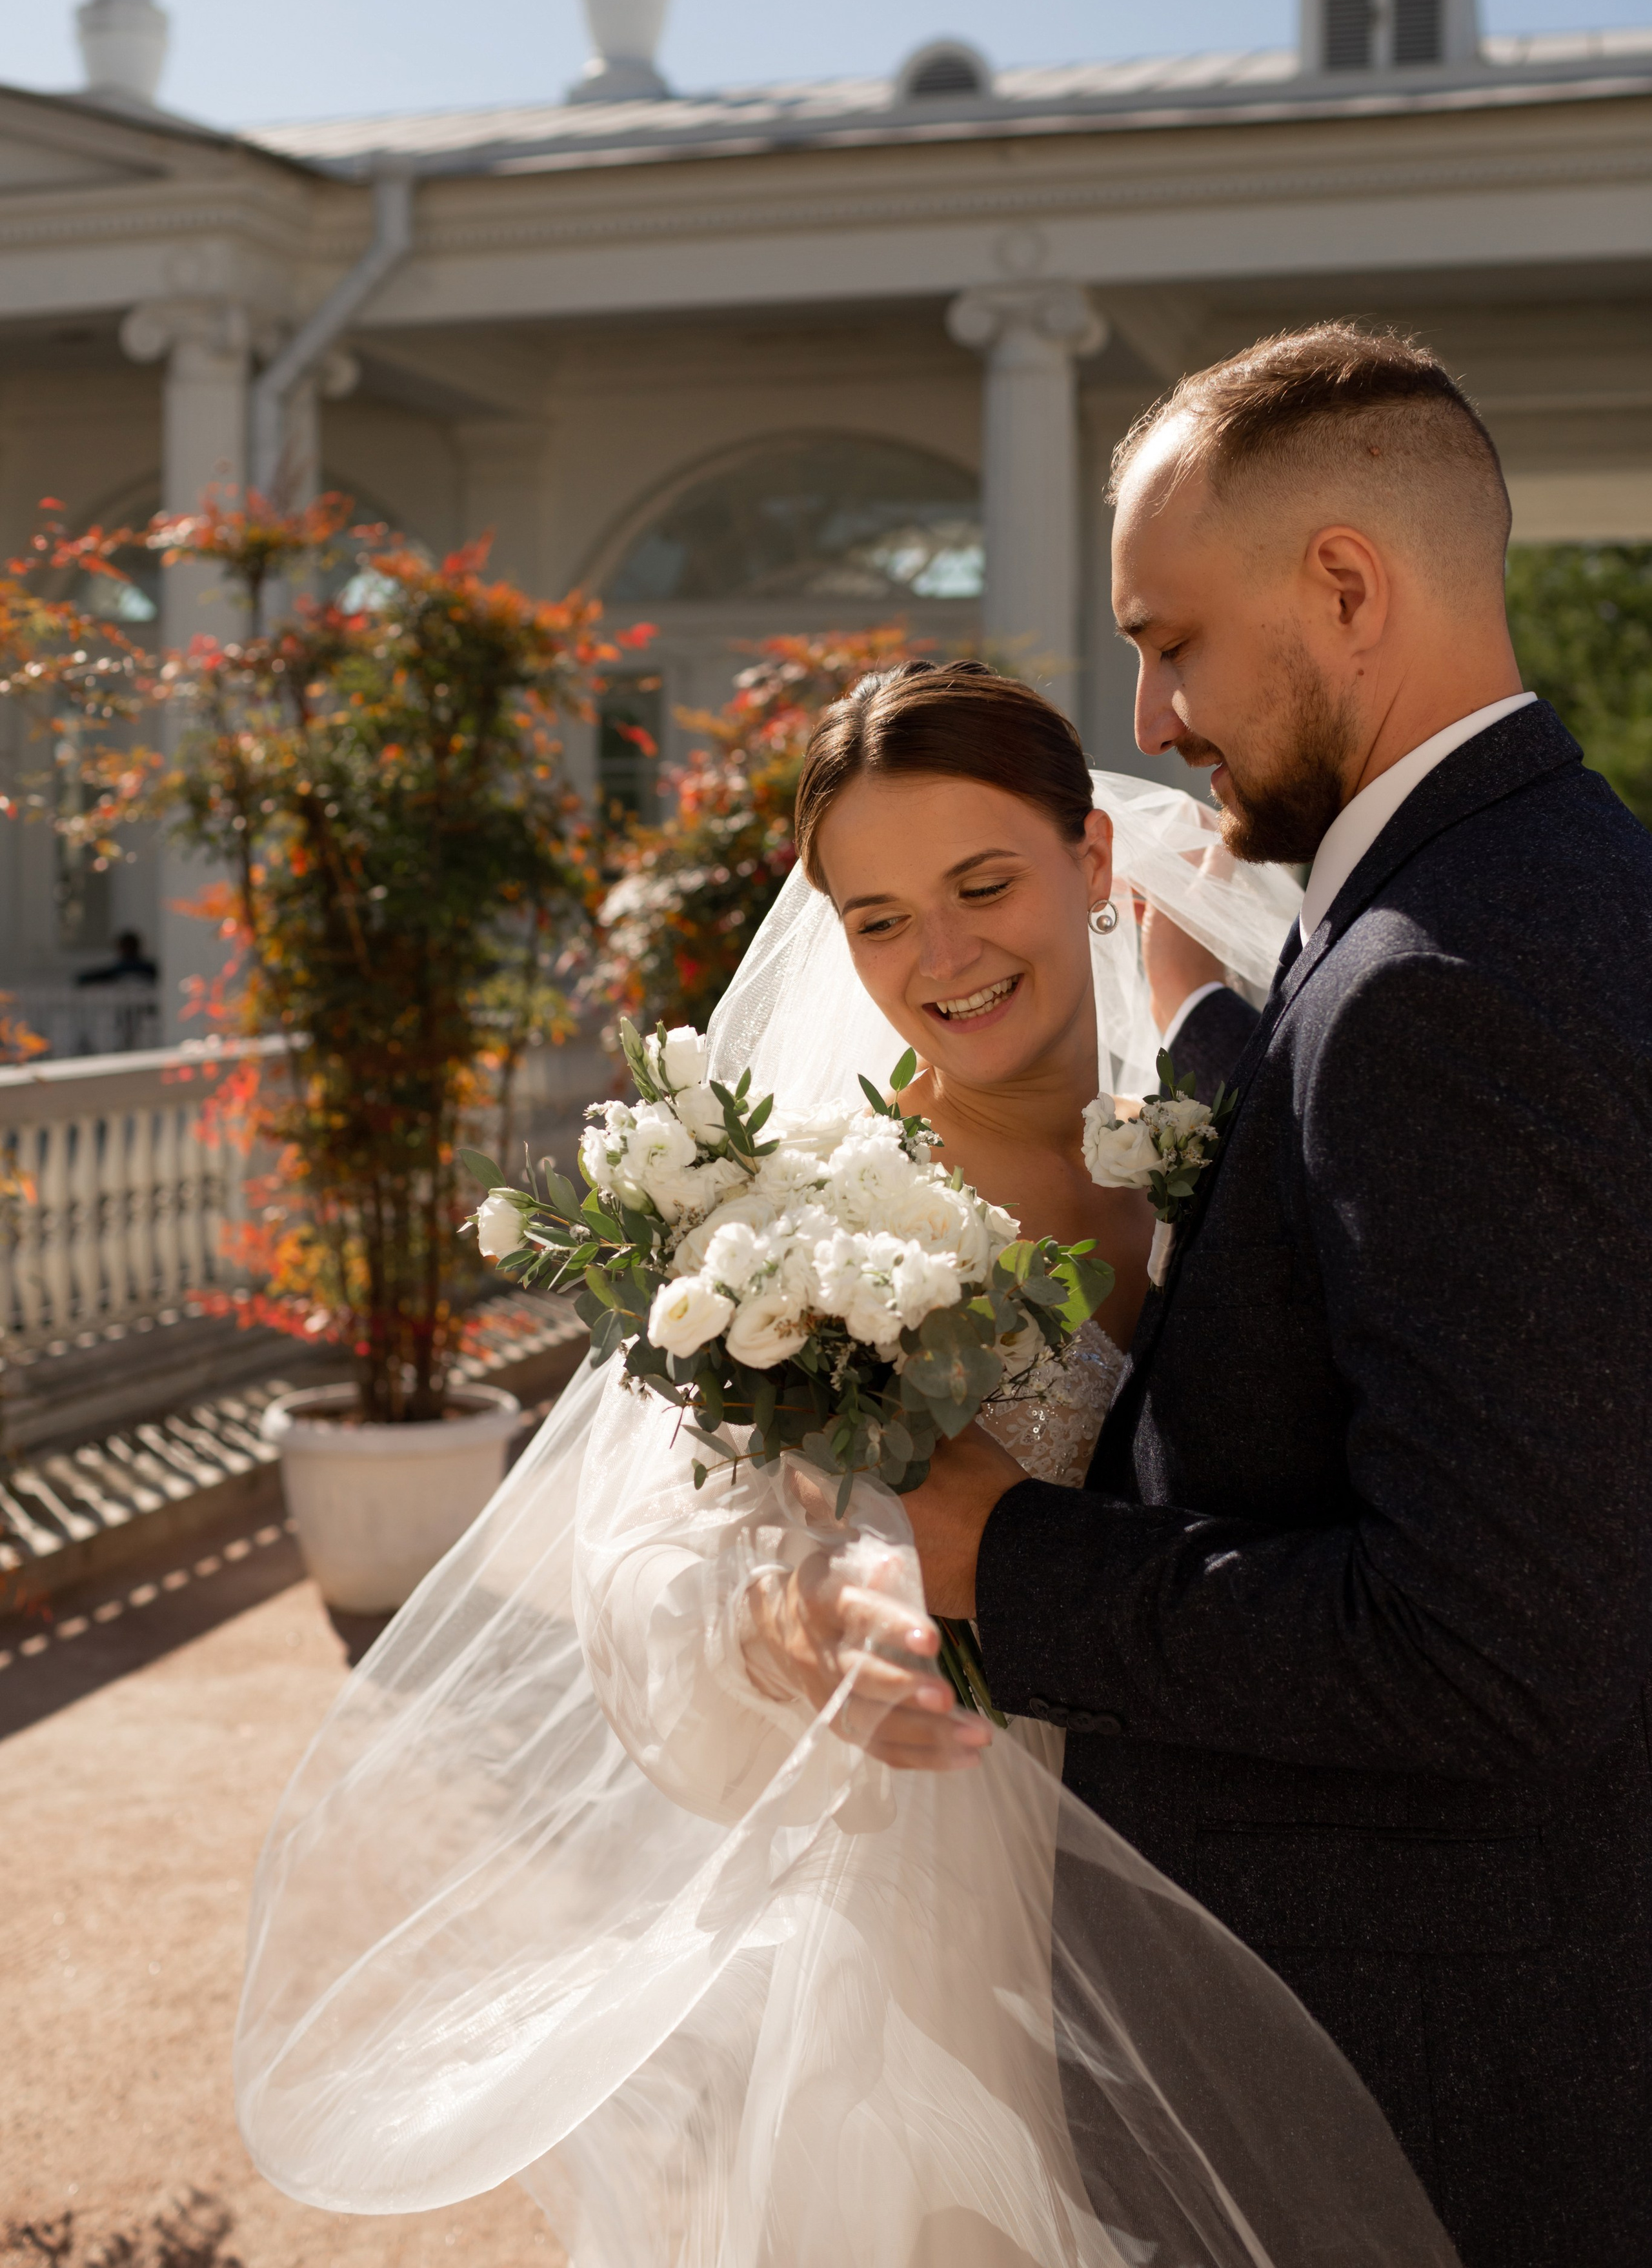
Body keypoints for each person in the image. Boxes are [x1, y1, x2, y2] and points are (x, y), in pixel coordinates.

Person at [232, 658, 1458, 2266]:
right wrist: (787, 1620)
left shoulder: (1244, 1113)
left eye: (979, 884)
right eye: (875, 918)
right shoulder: (802, 1216)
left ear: (1092, 860)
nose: (937, 957)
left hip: (1282, 1860)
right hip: (964, 1918)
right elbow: (648, 1566)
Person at [902, 325, 1652, 2268]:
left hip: (1426, 2085)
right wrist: (1226, 1036)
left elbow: (1483, 1643)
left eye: (1174, 642)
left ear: (1344, 587)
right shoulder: (1552, 888)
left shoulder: (1438, 988)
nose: (1148, 712)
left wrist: (1012, 1558)